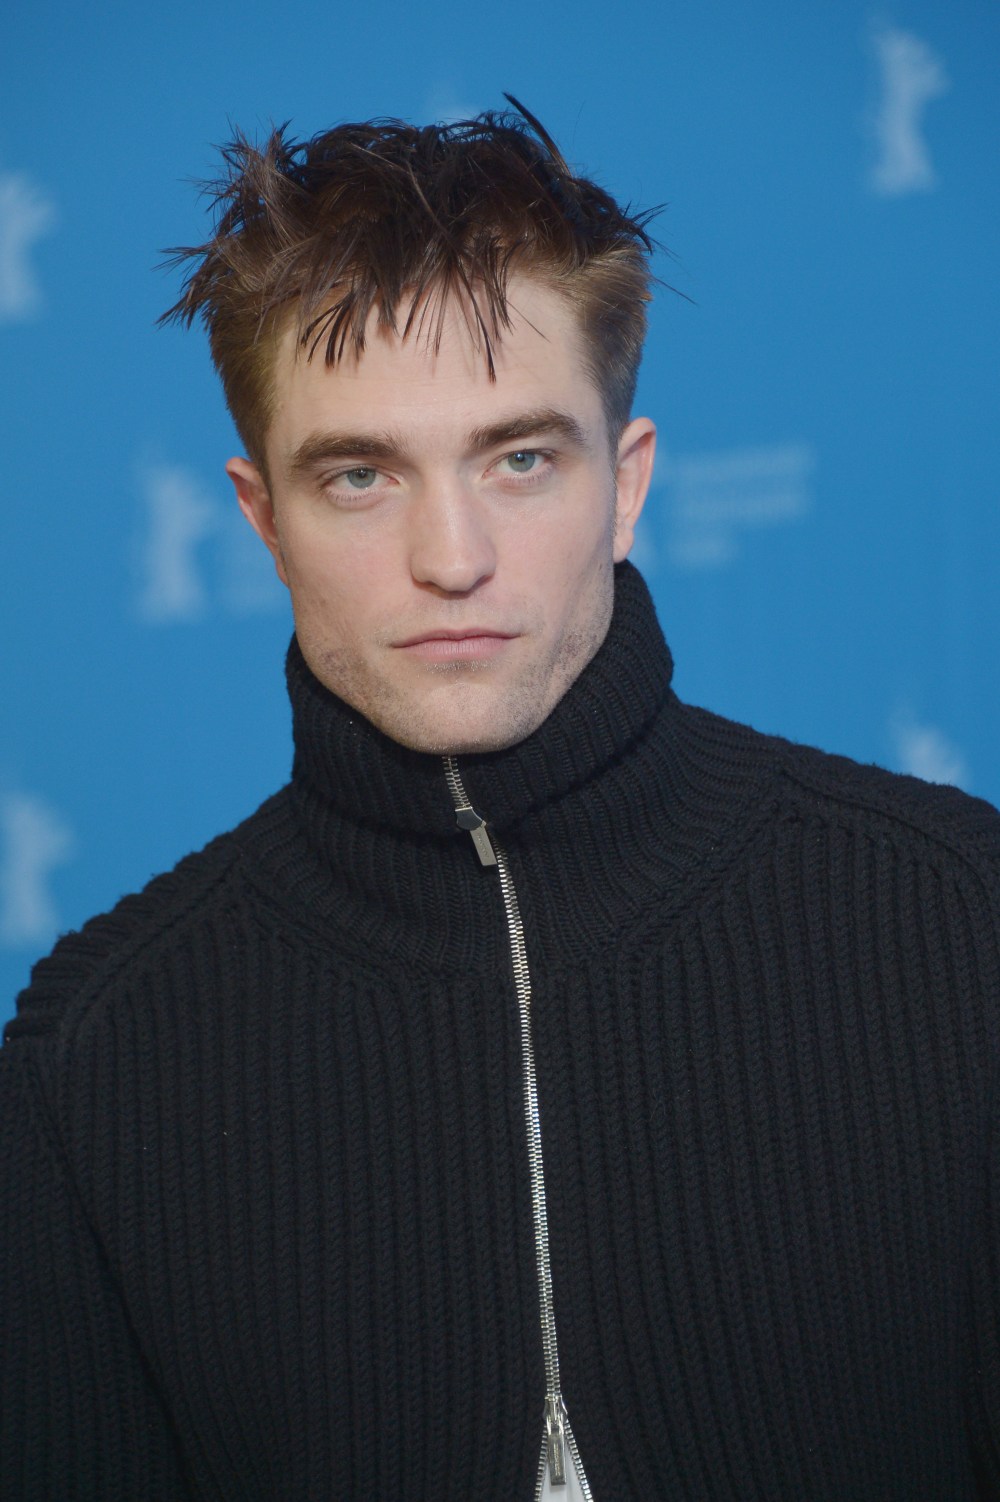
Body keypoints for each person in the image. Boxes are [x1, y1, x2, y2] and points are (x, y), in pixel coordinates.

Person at [1, 100, 998, 1502]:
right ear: (263, 519)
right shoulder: (94, 1053)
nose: (452, 556)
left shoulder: (962, 920)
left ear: (627, 485)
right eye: (361, 476)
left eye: (520, 457)